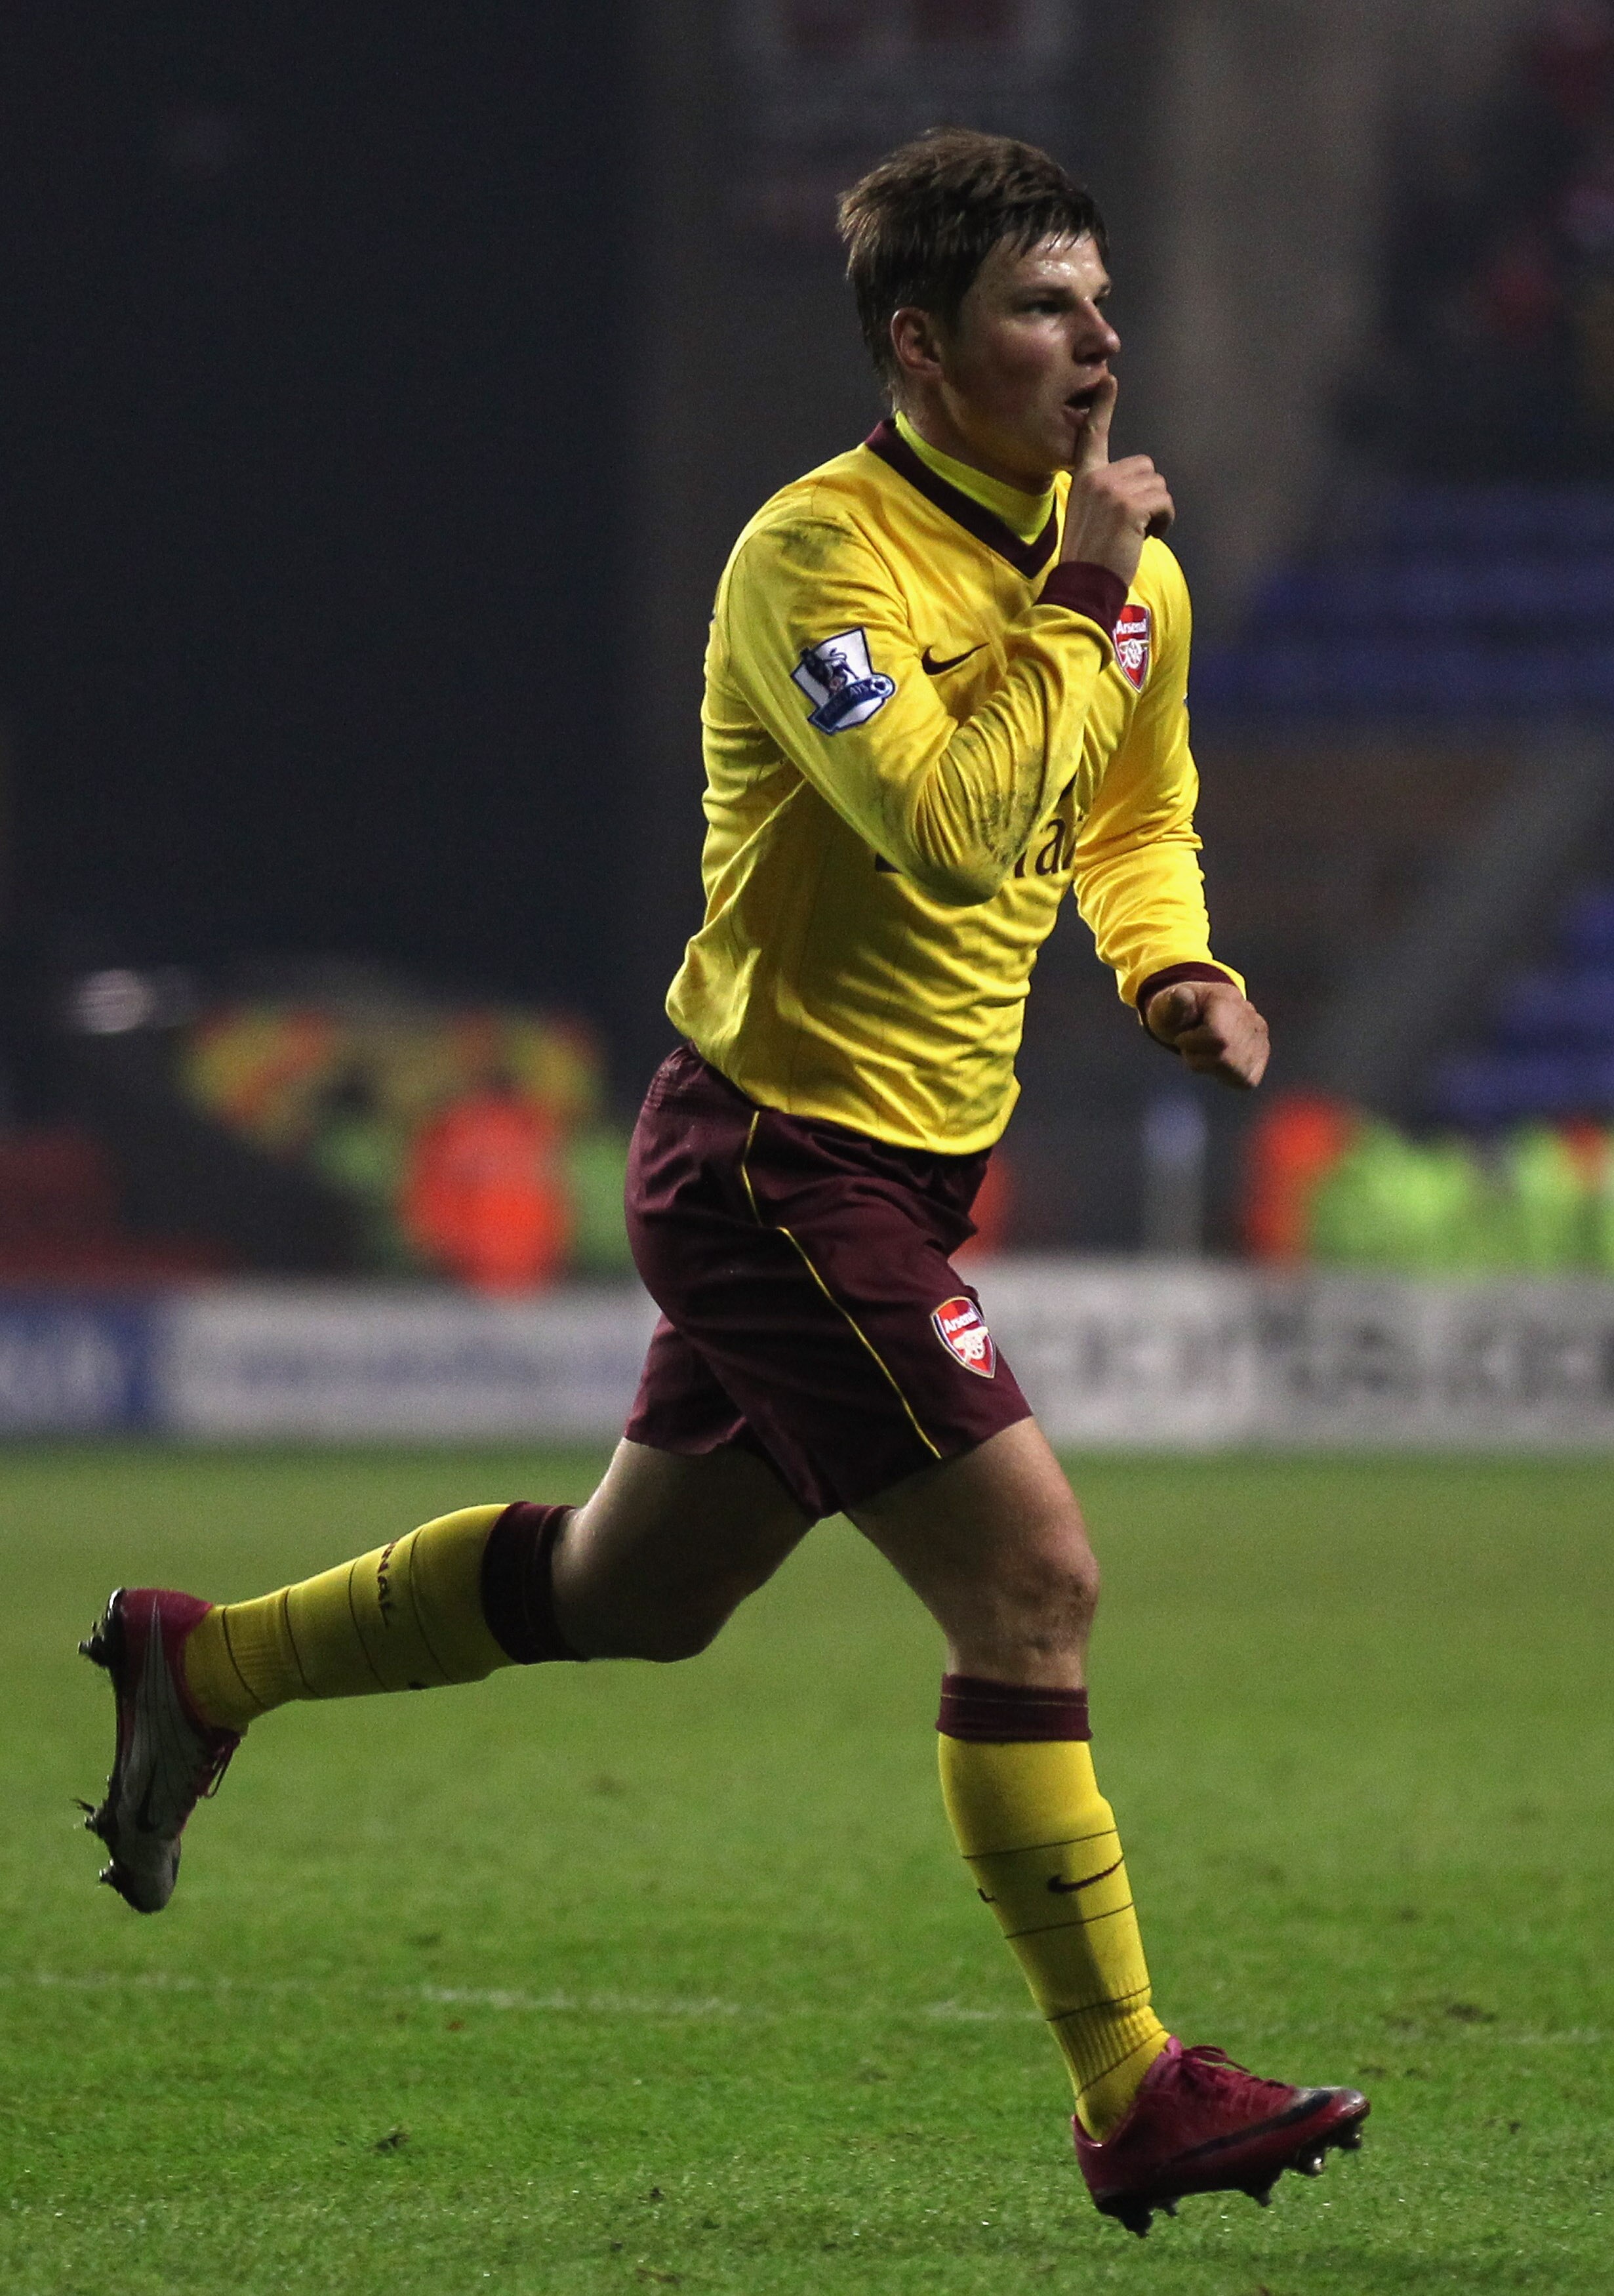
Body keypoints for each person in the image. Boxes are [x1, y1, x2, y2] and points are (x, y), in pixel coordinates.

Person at [79, 129, 1367, 2239]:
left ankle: (198, 1664)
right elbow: (950, 819)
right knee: (1032, 1579)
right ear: (920, 344)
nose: (1101, 339)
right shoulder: (818, 563)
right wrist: (1079, 600)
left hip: (900, 1169)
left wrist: (1175, 957)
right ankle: (1131, 2083)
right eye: (1047, 305)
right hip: (777, 1157)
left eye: (1102, 297)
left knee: (632, 1596)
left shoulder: (1120, 573)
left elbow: (1135, 803)